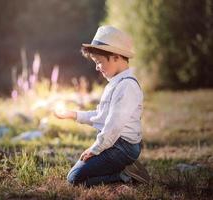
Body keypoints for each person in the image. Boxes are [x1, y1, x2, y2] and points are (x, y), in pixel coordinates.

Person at [54, 25, 150, 187]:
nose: (97, 67)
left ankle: (125, 175)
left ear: (115, 57)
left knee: (74, 179)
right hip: (115, 143)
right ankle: (120, 169)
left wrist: (95, 149)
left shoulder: (126, 86)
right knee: (75, 176)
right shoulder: (115, 83)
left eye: (99, 62)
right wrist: (73, 114)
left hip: (123, 146)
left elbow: (114, 125)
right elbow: (102, 115)